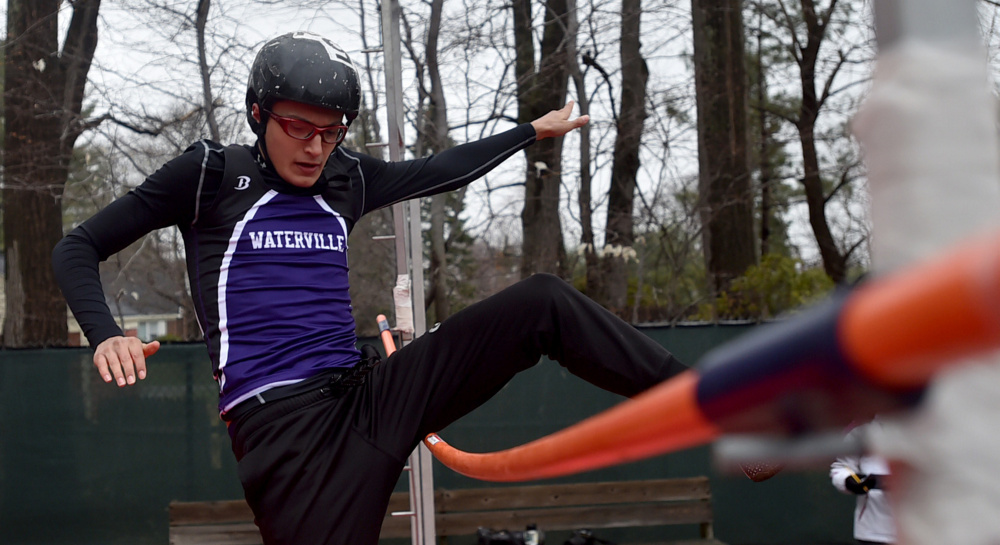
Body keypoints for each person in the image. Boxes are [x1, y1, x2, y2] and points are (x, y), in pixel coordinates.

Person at [52, 32, 687, 545]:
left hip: (370, 393)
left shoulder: (347, 179)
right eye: (299, 127)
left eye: (332, 131)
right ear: (257, 113)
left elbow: (435, 171)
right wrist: (107, 333)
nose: (316, 147)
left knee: (542, 302)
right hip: (288, 436)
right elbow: (77, 247)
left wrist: (530, 132)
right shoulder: (210, 176)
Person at [830, 420, 897, 545]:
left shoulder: (931, 428)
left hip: (926, 529)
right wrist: (849, 481)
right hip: (874, 531)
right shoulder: (861, 430)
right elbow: (841, 467)